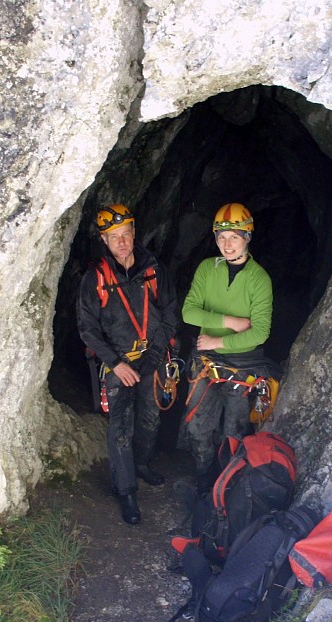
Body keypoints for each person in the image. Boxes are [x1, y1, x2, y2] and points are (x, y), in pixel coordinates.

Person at [77, 204, 179, 525]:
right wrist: (115, 363)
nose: (122, 242)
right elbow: (87, 329)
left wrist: (156, 353)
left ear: (134, 233)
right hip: (118, 362)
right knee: (121, 426)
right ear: (104, 241)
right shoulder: (95, 279)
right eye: (114, 237)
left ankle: (141, 463)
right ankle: (126, 490)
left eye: (126, 234)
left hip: (152, 355)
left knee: (150, 417)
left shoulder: (153, 270)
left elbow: (169, 313)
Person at [182, 202, 273, 493]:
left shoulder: (259, 280)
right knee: (197, 427)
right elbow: (188, 312)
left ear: (247, 237)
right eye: (221, 237)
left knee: (233, 432)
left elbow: (260, 333)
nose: (227, 244)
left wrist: (217, 340)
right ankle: (203, 480)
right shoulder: (208, 269)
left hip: (241, 364)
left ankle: (227, 487)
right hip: (206, 362)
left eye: (234, 236)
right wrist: (230, 321)